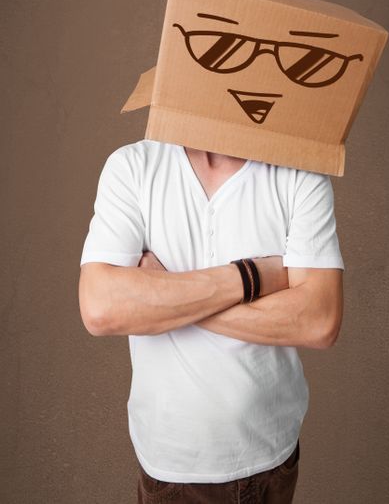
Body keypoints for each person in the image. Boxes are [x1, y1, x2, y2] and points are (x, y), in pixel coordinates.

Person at [79, 139, 344, 503]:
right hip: (170, 464)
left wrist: (166, 294)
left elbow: (320, 320)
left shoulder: (300, 172)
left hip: (270, 456)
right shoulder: (133, 166)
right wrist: (253, 277)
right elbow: (100, 308)